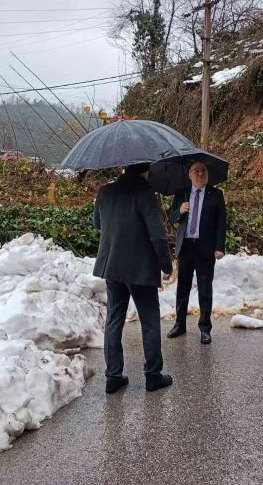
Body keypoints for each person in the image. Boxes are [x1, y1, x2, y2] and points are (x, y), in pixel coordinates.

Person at [93, 162, 174, 393]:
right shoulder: (145, 192)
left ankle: (113, 376)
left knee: (114, 318)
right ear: (145, 170)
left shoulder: (104, 191)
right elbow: (157, 235)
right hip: (141, 268)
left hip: (111, 265)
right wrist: (166, 264)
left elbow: (97, 224)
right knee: (149, 320)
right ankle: (153, 375)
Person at [166, 161, 227, 344]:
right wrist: (180, 210)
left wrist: (219, 247)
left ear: (207, 175)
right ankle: (180, 324)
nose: (200, 174)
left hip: (205, 248)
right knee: (182, 288)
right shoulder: (182, 193)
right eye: (196, 171)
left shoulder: (216, 195)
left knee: (205, 289)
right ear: (190, 175)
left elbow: (221, 222)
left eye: (203, 171)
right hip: (186, 246)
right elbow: (172, 218)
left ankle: (205, 328)